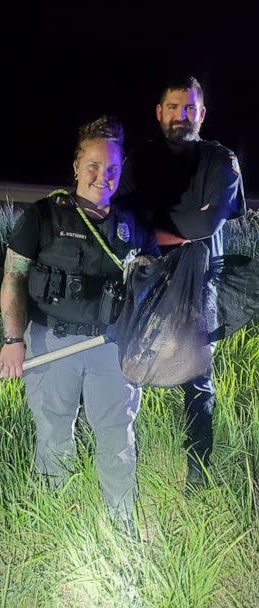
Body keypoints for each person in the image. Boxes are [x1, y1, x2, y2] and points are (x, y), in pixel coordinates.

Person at [0, 115, 160, 527]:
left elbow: (156, 286)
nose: (102, 176)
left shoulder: (134, 224)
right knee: (53, 436)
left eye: (112, 169)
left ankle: (122, 524)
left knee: (117, 437)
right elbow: (13, 277)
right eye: (93, 165)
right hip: (51, 343)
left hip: (111, 349)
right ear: (76, 165)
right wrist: (13, 339)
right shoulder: (42, 215)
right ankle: (55, 525)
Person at [115, 76, 246, 484]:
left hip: (200, 287)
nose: (181, 115)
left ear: (202, 113)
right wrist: (173, 232)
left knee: (197, 381)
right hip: (146, 285)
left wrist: (153, 230)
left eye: (189, 108)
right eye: (173, 107)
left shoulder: (220, 160)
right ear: (159, 112)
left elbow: (208, 221)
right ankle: (118, 466)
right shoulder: (138, 160)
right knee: (124, 370)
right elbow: (121, 225)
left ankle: (198, 476)